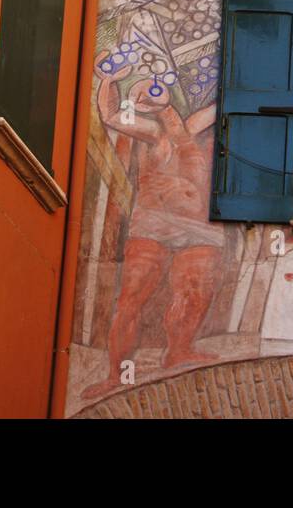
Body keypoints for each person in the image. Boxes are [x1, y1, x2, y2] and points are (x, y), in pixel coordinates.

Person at [81, 50, 222, 400]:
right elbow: (111, 115)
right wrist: (110, 80)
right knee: (131, 298)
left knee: (196, 291)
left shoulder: (192, 129)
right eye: (142, 93)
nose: (149, 93)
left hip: (199, 226)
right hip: (154, 224)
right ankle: (115, 374)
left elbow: (227, 103)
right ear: (141, 107)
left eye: (152, 89)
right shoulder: (151, 134)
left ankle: (179, 350)